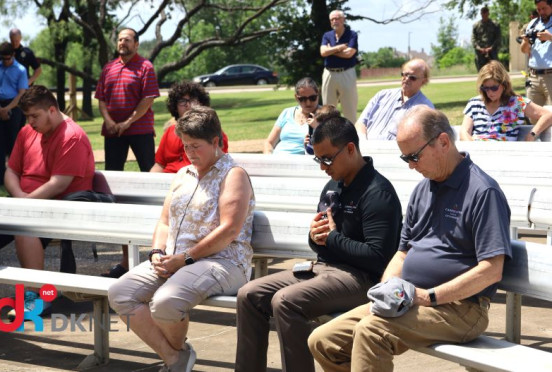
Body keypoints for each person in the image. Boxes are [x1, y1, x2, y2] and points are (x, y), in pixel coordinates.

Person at [308, 105, 512, 372]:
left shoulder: (483, 192)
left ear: (443, 142)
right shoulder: (422, 190)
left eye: (414, 156)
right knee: (323, 340)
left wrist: (429, 297)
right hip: (410, 299)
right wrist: (383, 292)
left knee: (372, 332)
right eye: (406, 159)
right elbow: (403, 253)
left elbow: (491, 271)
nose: (412, 166)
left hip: (461, 308)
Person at [236, 116, 403, 372]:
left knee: (286, 301)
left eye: (326, 159)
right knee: (249, 294)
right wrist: (315, 237)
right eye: (318, 159)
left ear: (350, 148)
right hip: (324, 270)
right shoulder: (332, 186)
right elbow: (320, 243)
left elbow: (379, 257)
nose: (323, 167)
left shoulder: (378, 193)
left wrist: (332, 239)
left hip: (363, 279)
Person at [108, 106, 254, 372]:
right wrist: (156, 252)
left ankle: (174, 361)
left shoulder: (233, 175)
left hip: (223, 262)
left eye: (196, 146)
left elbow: (230, 230)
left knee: (166, 302)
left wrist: (185, 258)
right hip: (175, 260)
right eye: (185, 146)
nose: (190, 153)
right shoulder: (182, 175)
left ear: (216, 142)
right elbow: (165, 221)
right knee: (119, 293)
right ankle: (176, 357)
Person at [0, 85, 95, 315]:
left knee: (24, 228)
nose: (30, 122)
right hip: (25, 203)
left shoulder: (72, 136)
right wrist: (20, 198)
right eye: (27, 116)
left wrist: (24, 204)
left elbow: (59, 183)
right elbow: (11, 172)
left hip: (62, 207)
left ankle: (34, 295)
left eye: (34, 116)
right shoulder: (27, 132)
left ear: (52, 110)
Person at [95, 27, 160, 172]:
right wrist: (108, 121)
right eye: (120, 39)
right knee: (112, 172)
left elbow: (148, 99)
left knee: (149, 170)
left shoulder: (146, 67)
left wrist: (128, 122)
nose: (122, 42)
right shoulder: (108, 68)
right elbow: (101, 98)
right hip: (113, 130)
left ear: (136, 44)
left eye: (127, 40)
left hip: (140, 129)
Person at [460, 60, 552, 141]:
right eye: (485, 88)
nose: (490, 92)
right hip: (477, 154)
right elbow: (464, 132)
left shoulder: (517, 103)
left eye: (494, 88)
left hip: (505, 155)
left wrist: (532, 134)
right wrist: (475, 149)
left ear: (504, 85)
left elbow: (548, 115)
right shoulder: (474, 103)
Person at [151, 81, 228, 173]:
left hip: (194, 180)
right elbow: (159, 164)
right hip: (167, 180)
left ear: (201, 104)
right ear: (175, 107)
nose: (188, 105)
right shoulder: (170, 131)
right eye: (182, 101)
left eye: (192, 100)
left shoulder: (213, 132)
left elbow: (214, 167)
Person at [355, 58, 434, 140]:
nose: (406, 79)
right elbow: (361, 122)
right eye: (404, 75)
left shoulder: (425, 108)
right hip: (366, 148)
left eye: (412, 78)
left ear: (423, 81)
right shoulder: (382, 95)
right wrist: (363, 141)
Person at [0, 41, 29, 186]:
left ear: (13, 55)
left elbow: (22, 93)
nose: (6, 61)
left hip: (14, 105)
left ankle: (15, 177)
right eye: (3, 58)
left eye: (8, 58)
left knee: (14, 143)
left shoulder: (20, 69)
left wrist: (8, 109)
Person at [320, 10, 359, 122]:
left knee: (349, 108)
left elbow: (349, 54)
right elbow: (323, 52)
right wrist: (339, 48)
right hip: (329, 73)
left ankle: (350, 136)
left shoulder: (352, 34)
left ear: (343, 20)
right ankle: (329, 135)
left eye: (337, 18)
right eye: (332, 19)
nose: (334, 21)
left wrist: (330, 50)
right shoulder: (327, 35)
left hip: (347, 73)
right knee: (327, 110)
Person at [264, 77, 320, 154]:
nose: (308, 103)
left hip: (303, 163)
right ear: (296, 98)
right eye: (303, 99)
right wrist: (268, 157)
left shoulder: (326, 115)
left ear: (318, 94)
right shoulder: (287, 112)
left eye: (312, 98)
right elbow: (269, 142)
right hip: (277, 159)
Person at [521, 0, 552, 106]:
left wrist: (550, 37)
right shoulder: (532, 23)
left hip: (550, 76)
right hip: (533, 77)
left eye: (544, 8)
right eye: (539, 9)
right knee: (532, 115)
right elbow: (524, 50)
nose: (541, 12)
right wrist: (525, 41)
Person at [472, 6, 501, 71]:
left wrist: (491, 47)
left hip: (492, 52)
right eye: (483, 13)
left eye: (486, 13)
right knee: (481, 71)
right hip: (480, 53)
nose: (484, 14)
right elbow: (473, 39)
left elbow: (498, 38)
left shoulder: (495, 24)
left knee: (495, 70)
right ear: (481, 14)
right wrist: (479, 48)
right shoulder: (476, 26)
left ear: (488, 13)